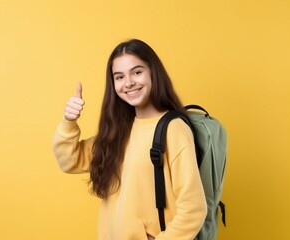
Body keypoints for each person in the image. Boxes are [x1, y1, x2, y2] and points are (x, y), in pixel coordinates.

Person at [52, 39, 206, 240]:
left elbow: (194, 208)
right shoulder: (119, 131)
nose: (128, 83)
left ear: (153, 72)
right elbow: (70, 160)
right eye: (119, 77)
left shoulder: (173, 129)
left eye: (137, 72)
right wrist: (68, 121)